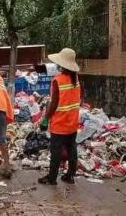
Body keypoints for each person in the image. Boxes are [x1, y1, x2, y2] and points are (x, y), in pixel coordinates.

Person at [37, 48, 81, 185]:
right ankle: (70, 175)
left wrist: (46, 118)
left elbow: (54, 103)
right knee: (71, 149)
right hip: (72, 122)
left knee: (55, 152)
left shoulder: (58, 80)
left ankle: (52, 178)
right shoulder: (75, 78)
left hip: (60, 124)